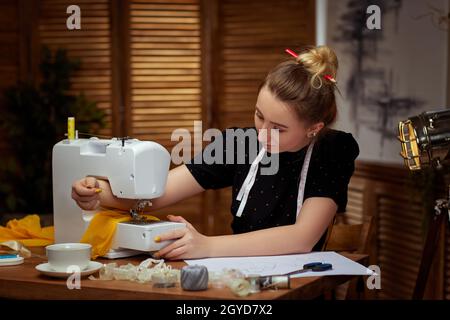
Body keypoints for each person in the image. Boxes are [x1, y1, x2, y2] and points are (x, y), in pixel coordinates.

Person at [71, 45, 359, 260]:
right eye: (259, 116)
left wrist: (206, 245)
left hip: (301, 283)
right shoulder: (240, 142)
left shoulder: (332, 150)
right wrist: (98, 193)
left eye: (279, 128)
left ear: (313, 127)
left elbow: (302, 238)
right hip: (242, 276)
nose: (261, 133)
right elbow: (156, 194)